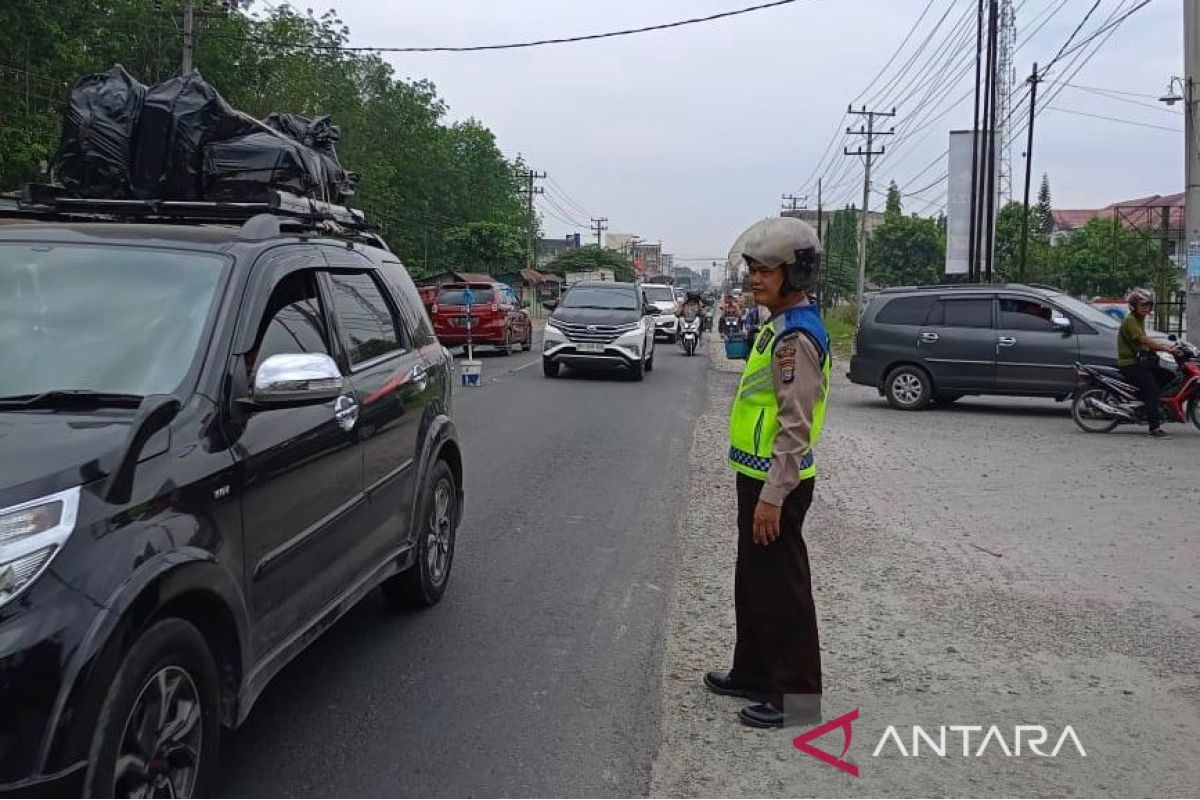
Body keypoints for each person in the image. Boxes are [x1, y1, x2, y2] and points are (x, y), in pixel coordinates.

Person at [704, 217, 831, 728]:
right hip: (757, 475)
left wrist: (774, 495)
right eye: (753, 269)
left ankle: (797, 698)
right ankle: (754, 672)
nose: (755, 278)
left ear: (793, 274)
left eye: (766, 270)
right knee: (755, 580)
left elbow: (794, 426)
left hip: (779, 481)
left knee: (783, 587)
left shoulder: (795, 337)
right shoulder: (778, 324)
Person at [1118, 288, 1179, 438]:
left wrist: (1168, 347)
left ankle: (1147, 406)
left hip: (1141, 361)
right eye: (1143, 305)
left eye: (1149, 305)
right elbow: (1144, 341)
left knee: (1168, 376)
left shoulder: (1139, 319)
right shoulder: (1131, 320)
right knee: (1152, 392)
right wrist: (1167, 349)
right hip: (1131, 364)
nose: (1146, 308)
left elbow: (1147, 341)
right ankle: (1154, 428)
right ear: (1133, 305)